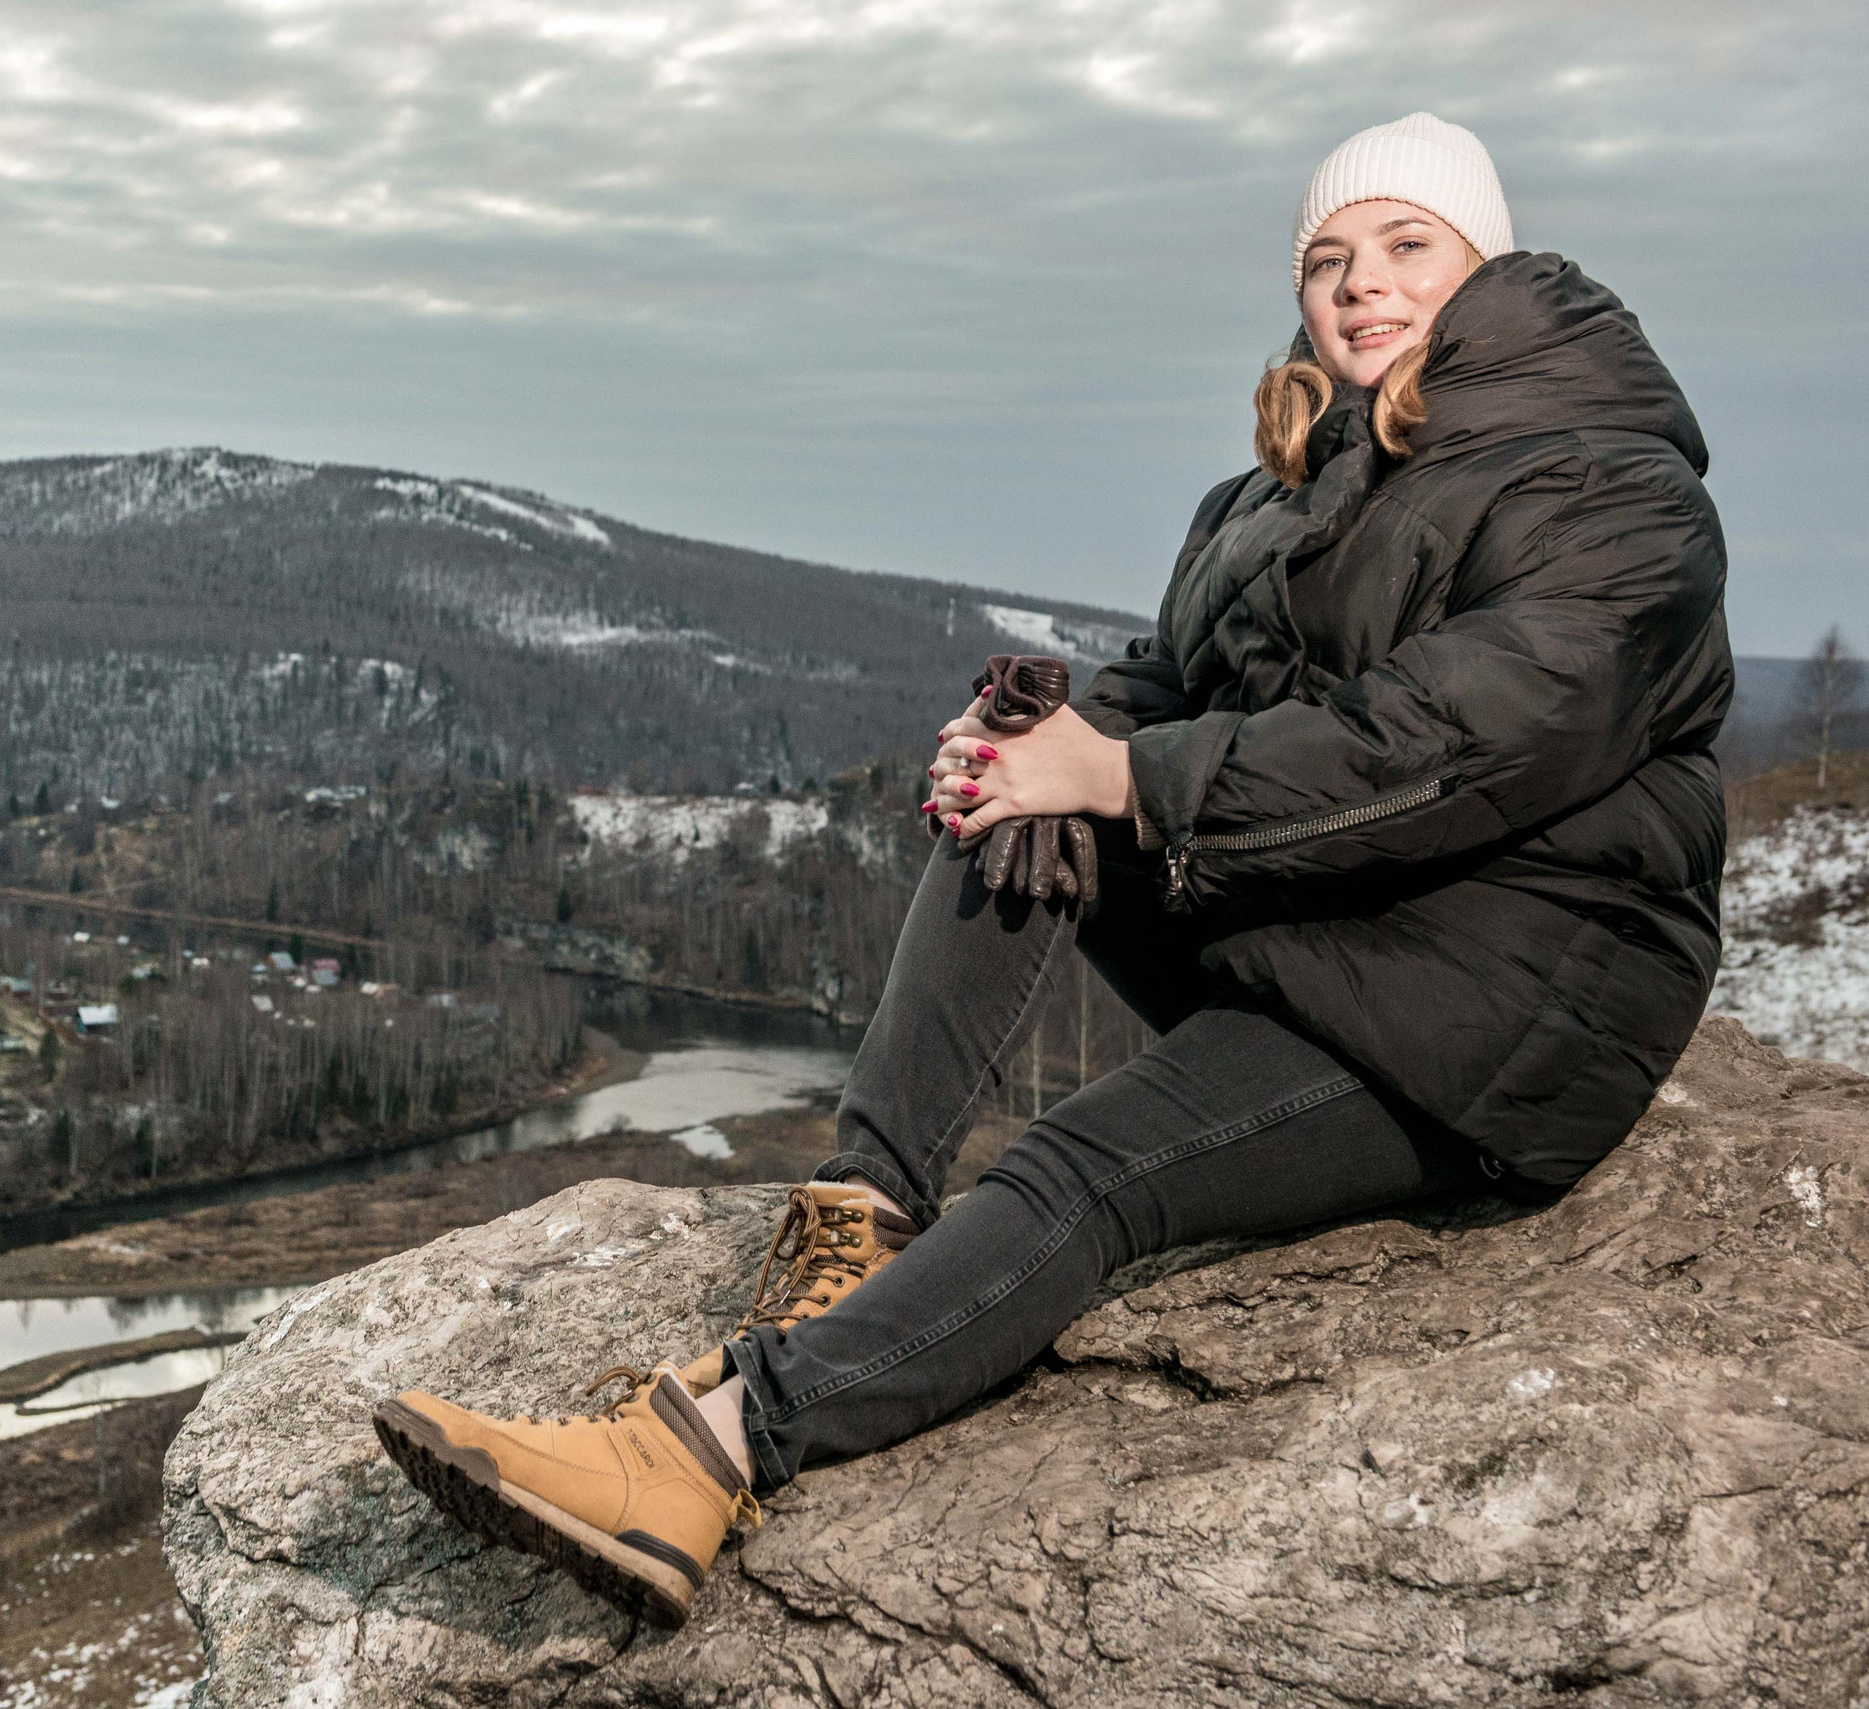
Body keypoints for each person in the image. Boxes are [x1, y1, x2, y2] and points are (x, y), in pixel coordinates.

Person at [373, 112, 1732, 1630]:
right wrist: (1042, 748)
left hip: (1510, 998)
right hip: (1338, 925)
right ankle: (855, 1224)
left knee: (1081, 1172)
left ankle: (707, 1454)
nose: (1360, 285)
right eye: (1327, 259)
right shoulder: (1285, 486)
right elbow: (1168, 687)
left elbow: (1451, 745)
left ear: (1489, 260)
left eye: (1406, 245)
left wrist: (1129, 773)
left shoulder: (1609, 482)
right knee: (1028, 810)